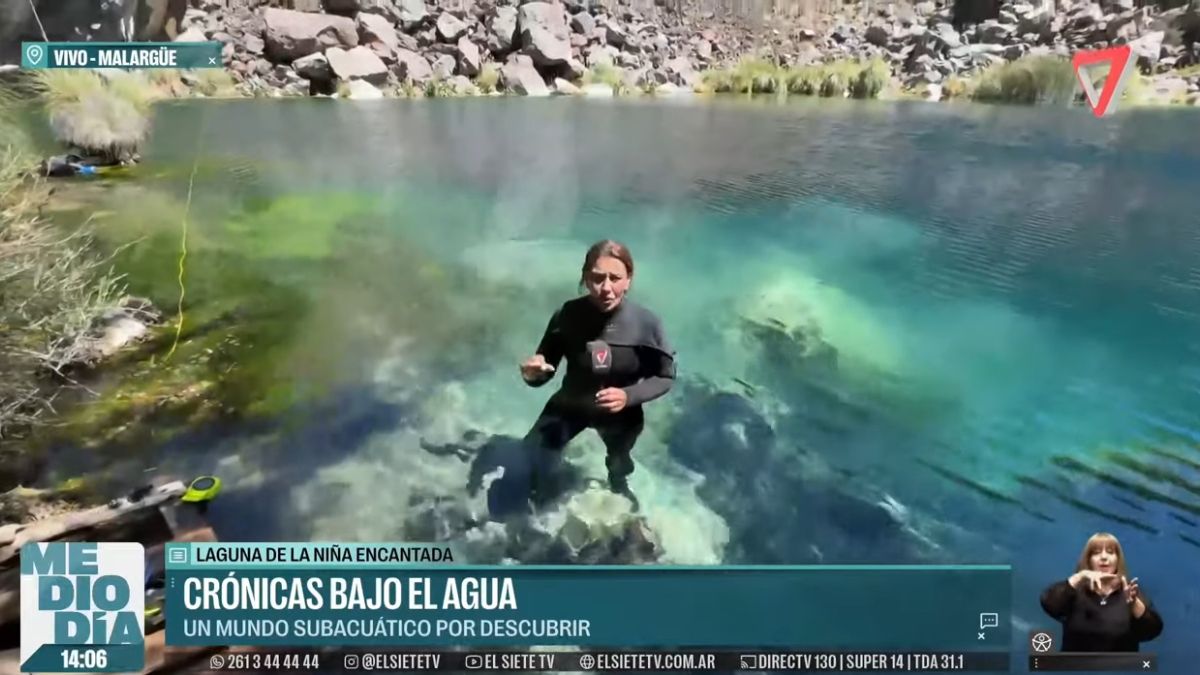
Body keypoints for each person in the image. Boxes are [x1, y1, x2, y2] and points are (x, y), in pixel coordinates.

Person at [519, 239, 675, 510]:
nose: (606, 288)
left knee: (618, 460)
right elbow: (546, 367)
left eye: (615, 278)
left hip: (620, 415)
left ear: (628, 280)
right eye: (597, 278)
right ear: (585, 278)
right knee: (533, 450)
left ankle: (618, 484)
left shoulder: (646, 324)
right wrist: (533, 374)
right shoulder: (568, 314)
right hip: (570, 404)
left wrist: (628, 396)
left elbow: (665, 376)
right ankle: (538, 491)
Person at [1039, 532, 1163, 652]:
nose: (1104, 557)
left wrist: (1134, 604)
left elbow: (1153, 631)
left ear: (1118, 560)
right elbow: (1049, 604)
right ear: (1088, 560)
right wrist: (1080, 576)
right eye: (1096, 553)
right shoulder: (1074, 591)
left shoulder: (1132, 592)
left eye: (1110, 552)